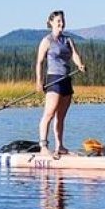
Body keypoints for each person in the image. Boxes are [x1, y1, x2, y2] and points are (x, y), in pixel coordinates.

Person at [36, 10, 85, 156]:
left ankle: (60, 146)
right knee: (49, 114)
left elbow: (75, 55)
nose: (61, 24)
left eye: (63, 21)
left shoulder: (68, 40)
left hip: (66, 80)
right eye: (58, 21)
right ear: (51, 23)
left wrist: (80, 65)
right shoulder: (46, 41)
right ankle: (43, 146)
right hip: (53, 80)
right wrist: (39, 81)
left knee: (61, 117)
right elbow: (39, 62)